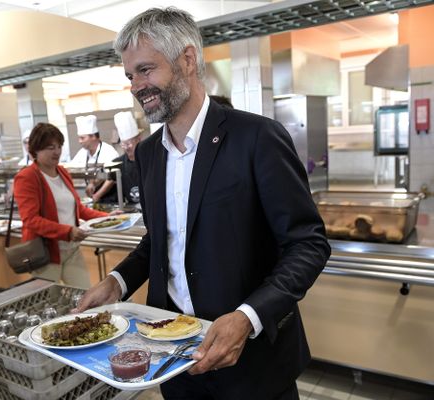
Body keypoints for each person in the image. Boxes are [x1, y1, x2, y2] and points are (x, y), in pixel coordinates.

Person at [74, 7, 330, 400]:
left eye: (146, 70)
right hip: (177, 362)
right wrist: (118, 281)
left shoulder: (256, 138)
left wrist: (248, 318)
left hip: (253, 366)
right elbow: (161, 241)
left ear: (188, 59)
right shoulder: (148, 155)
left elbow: (307, 244)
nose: (136, 86)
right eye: (130, 76)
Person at [13, 123, 109, 288]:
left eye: (59, 146)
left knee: (84, 296)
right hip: (45, 254)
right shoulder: (27, 177)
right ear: (36, 149)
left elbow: (78, 209)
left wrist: (108, 218)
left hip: (72, 250)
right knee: (51, 304)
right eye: (50, 147)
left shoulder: (62, 172)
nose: (57, 152)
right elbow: (31, 220)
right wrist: (68, 231)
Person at [69, 115, 119, 201]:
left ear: (93, 136)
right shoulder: (82, 153)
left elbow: (111, 178)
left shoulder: (109, 152)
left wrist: (98, 195)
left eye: (82, 138)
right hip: (94, 196)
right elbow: (71, 169)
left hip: (111, 198)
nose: (80, 141)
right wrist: (92, 184)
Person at [110, 111, 142, 205]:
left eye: (129, 143)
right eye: (123, 144)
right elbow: (109, 178)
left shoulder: (149, 159)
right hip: (131, 207)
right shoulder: (118, 163)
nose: (127, 147)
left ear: (139, 139)